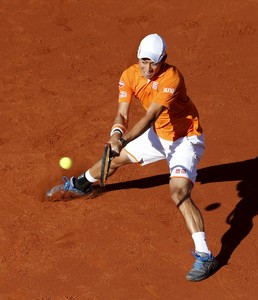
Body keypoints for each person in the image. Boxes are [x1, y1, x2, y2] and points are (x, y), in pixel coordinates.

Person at [47, 33, 218, 282]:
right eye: (144, 61)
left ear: (164, 60)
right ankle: (81, 185)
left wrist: (123, 140)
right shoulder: (129, 76)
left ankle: (205, 255)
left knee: (178, 192)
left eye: (154, 63)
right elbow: (122, 114)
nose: (148, 68)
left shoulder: (172, 78)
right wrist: (116, 133)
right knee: (114, 160)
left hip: (184, 139)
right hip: (158, 136)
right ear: (138, 57)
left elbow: (149, 117)